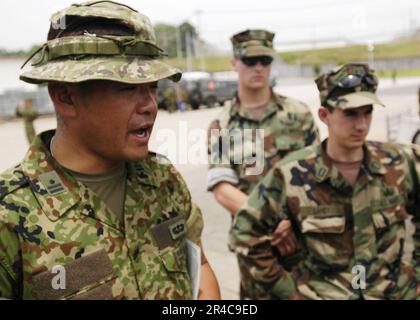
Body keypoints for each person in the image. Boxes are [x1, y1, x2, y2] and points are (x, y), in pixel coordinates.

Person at [0, 0, 220, 300]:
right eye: (127, 87)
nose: (150, 105)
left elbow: (200, 267)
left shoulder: (162, 179)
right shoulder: (10, 214)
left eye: (153, 86)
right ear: (65, 96)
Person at [231, 63, 420, 299]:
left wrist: (416, 277)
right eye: (350, 113)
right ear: (324, 115)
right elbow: (245, 233)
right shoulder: (293, 173)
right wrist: (288, 291)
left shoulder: (398, 162)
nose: (361, 124)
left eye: (367, 112)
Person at [206, 29, 320, 299]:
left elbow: (319, 175)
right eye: (250, 60)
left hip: (301, 242)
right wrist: (271, 222)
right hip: (254, 248)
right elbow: (222, 187)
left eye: (265, 61)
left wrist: (291, 220)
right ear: (234, 64)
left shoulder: (299, 115)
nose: (258, 67)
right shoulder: (222, 125)